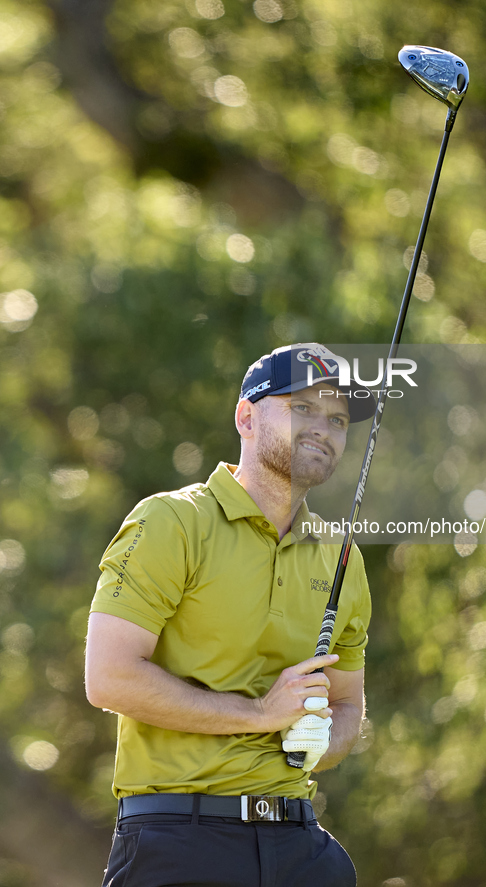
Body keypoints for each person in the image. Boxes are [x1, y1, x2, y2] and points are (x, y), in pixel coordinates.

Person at [85, 343, 374, 887]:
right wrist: (260, 714)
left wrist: (324, 742)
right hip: (179, 841)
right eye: (302, 408)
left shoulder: (342, 557)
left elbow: (348, 704)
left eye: (337, 419)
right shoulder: (173, 522)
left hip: (300, 847)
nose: (323, 428)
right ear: (246, 416)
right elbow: (108, 678)